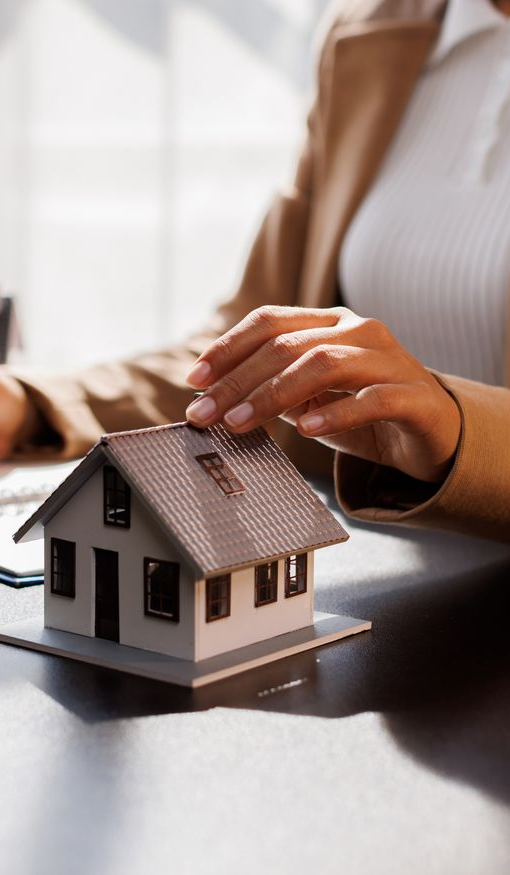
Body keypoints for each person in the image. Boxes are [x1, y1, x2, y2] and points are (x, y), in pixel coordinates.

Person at [1, 0, 510, 541]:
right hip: (371, 577)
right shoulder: (373, 28)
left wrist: (460, 429)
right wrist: (32, 405)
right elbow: (249, 361)